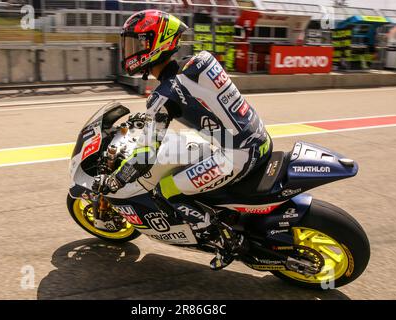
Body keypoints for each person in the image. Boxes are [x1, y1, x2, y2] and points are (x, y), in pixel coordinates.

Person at [101, 9, 272, 270]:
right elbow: (201, 104)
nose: (131, 51)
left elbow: (145, 157)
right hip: (258, 137)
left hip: (239, 156)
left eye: (138, 44)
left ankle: (226, 239)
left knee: (166, 189)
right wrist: (151, 118)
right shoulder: (201, 61)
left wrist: (116, 180)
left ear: (158, 42)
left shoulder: (163, 95)